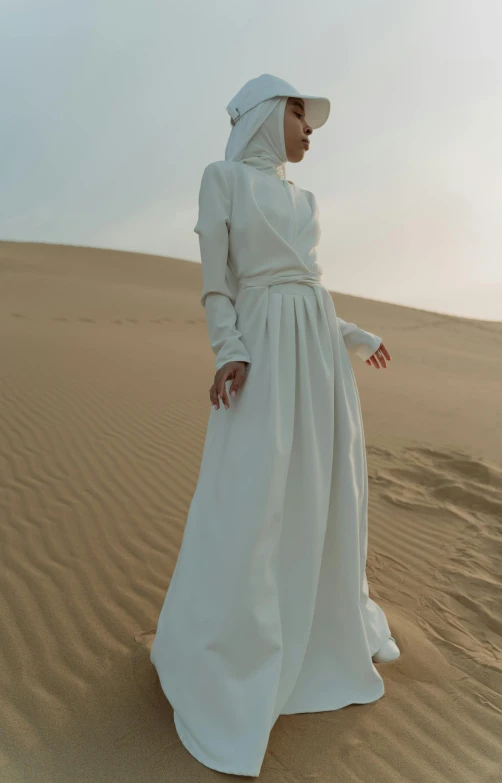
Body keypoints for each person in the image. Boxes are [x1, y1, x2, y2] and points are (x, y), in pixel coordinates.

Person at [150, 74, 400, 778]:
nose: (308, 128)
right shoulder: (223, 178)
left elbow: (308, 283)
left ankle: (316, 630)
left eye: (310, 119)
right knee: (251, 493)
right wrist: (229, 348)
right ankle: (230, 649)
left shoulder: (306, 197)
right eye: (298, 113)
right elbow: (219, 280)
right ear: (264, 115)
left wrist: (350, 332)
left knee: (324, 490)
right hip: (261, 352)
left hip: (318, 359)